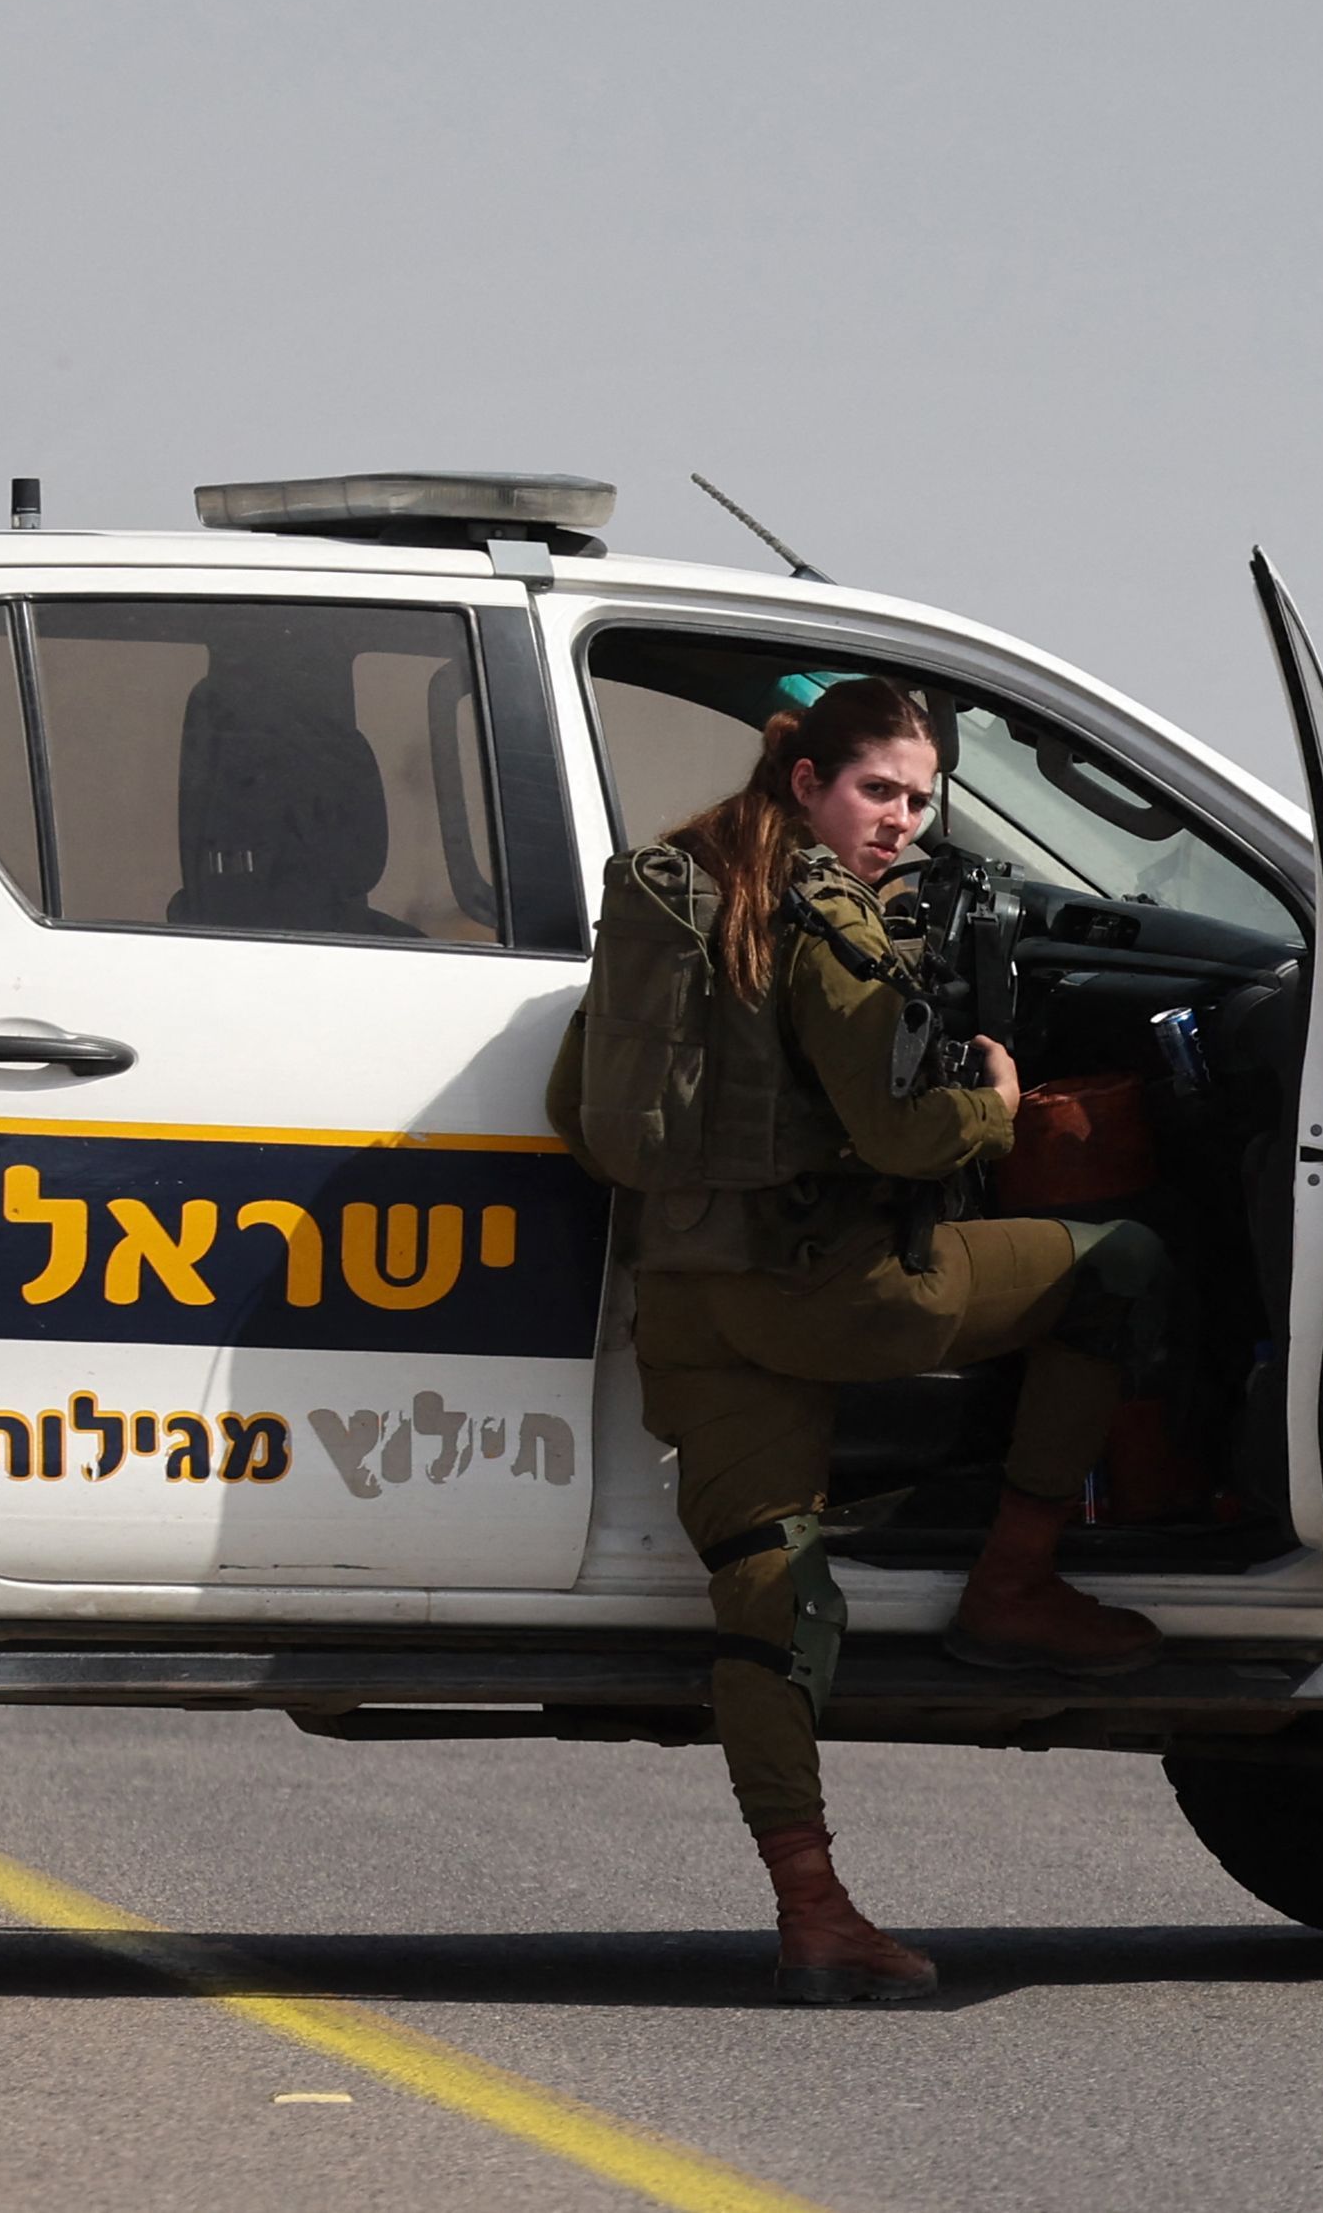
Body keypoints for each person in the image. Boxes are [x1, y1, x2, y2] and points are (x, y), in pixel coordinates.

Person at [547, 674, 1178, 2005]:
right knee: (1124, 1268)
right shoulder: (827, 923)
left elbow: (577, 1096)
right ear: (808, 785)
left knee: (771, 1592)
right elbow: (901, 1131)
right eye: (880, 792)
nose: (900, 821)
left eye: (917, 800)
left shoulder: (673, 891)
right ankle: (1014, 1581)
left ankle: (813, 1910)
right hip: (839, 1297)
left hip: (688, 1299)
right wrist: (994, 1111)